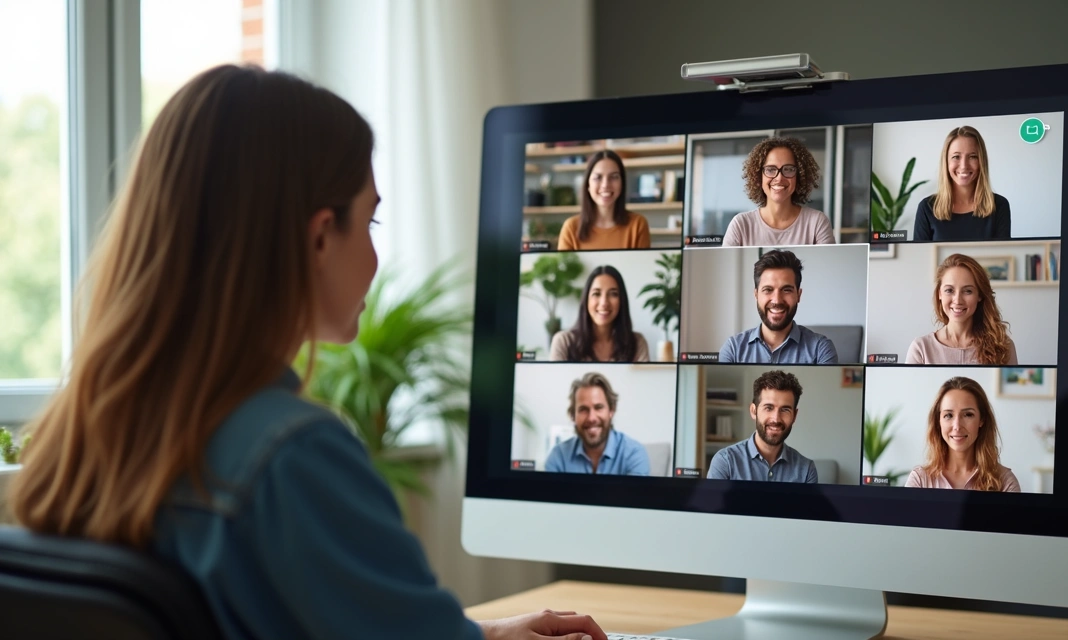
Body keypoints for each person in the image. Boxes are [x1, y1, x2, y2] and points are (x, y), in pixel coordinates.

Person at [5, 65, 607, 640]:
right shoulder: (293, 458)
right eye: (370, 222)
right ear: (320, 237)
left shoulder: (85, 438)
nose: (375, 254)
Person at [718, 249, 839, 364]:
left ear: (798, 295)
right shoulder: (733, 349)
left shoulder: (820, 349)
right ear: (756, 295)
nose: (777, 300)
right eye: (768, 290)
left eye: (786, 290)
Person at [904, 376, 1021, 491]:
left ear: (982, 419)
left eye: (968, 415)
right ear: (938, 420)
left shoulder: (1005, 482)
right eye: (948, 415)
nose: (957, 426)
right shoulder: (919, 480)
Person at [906, 253, 1018, 365]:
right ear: (940, 294)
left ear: (979, 295)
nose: (958, 300)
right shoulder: (921, 348)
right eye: (949, 290)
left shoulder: (1003, 347)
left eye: (968, 291)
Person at [721, 136, 835, 247]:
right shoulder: (741, 225)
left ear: (799, 176)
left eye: (788, 169)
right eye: (771, 169)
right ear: (759, 176)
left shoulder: (817, 222)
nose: (779, 178)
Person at [706, 371, 818, 483]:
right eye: (768, 408)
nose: (776, 419)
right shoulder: (725, 462)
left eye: (785, 410)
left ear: (794, 416)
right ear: (753, 411)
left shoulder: (806, 470)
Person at [913, 126, 1012, 242]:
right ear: (946, 162)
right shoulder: (926, 208)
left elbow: (1002, 253)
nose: (964, 166)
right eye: (956, 157)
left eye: (972, 157)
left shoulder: (999, 206)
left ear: (981, 162)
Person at [544, 372, 651, 476]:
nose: (591, 418)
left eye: (598, 407)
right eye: (583, 409)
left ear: (611, 411)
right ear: (573, 416)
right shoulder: (558, 457)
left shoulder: (634, 454)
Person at [549, 266, 649, 362]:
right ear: (586, 300)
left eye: (613, 294)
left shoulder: (637, 343)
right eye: (596, 294)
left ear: (622, 300)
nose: (604, 303)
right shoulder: (564, 341)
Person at [556, 149, 651, 250]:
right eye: (598, 177)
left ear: (622, 184)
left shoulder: (637, 225)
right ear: (588, 185)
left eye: (614, 177)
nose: (605, 185)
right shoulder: (571, 228)